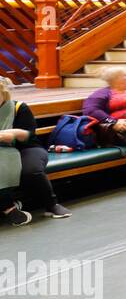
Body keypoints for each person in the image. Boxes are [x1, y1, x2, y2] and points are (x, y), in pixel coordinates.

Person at [0, 77, 70, 225]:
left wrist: (14, 133)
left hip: (26, 147)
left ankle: (52, 205)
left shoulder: (19, 108)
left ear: (3, 93)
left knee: (30, 170)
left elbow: (29, 135)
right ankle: (8, 207)